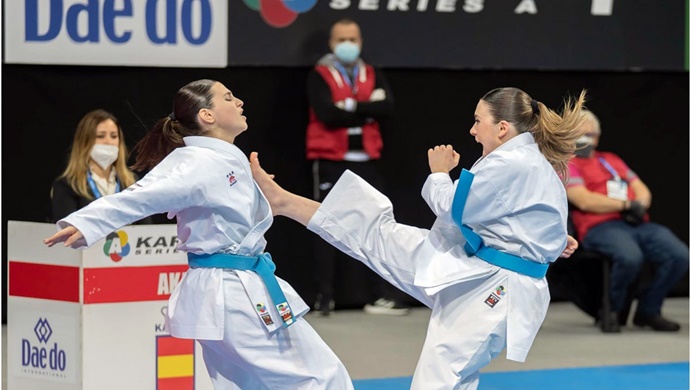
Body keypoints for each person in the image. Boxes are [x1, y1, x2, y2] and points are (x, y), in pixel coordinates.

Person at [250, 86, 584, 389]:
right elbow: (537, 217)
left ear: (502, 128)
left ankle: (285, 203)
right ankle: (285, 202)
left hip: (495, 289)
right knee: (379, 233)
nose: (472, 129)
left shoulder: (511, 162)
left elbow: (452, 208)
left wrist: (439, 173)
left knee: (440, 378)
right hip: (475, 268)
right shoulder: (526, 161)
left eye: (478, 120)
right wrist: (553, 242)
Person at [43, 79, 354, 389]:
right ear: (207, 115)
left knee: (254, 384)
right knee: (321, 376)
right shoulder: (196, 162)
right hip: (230, 292)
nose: (240, 102)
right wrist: (87, 222)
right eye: (229, 98)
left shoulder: (219, 158)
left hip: (227, 290)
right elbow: (141, 195)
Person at [306, 17, 409, 316]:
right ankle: (324, 297)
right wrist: (366, 111)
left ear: (360, 42)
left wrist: (348, 108)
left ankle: (381, 296)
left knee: (378, 226)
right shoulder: (320, 75)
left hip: (368, 161)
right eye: (341, 39)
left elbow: (386, 107)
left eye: (353, 39)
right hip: (331, 161)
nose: (347, 45)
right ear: (331, 43)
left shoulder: (371, 72)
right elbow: (326, 114)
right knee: (325, 226)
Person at [566, 109, 689, 332]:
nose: (585, 139)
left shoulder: (611, 160)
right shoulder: (566, 164)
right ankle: (612, 309)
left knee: (679, 255)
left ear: (597, 137)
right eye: (579, 134)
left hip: (635, 223)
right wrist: (624, 205)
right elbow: (583, 200)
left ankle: (648, 311)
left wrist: (640, 204)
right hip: (599, 226)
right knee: (630, 257)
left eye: (590, 135)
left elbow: (640, 188)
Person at [50, 109, 151, 224]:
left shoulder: (132, 183)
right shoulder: (68, 186)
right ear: (84, 142)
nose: (108, 141)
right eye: (100, 136)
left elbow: (146, 230)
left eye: (113, 136)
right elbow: (66, 231)